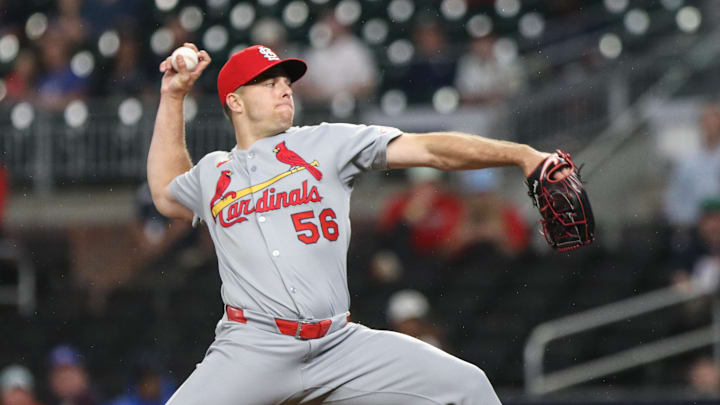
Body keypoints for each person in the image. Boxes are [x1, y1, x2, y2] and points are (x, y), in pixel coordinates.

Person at [148, 42, 554, 404]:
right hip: (253, 346)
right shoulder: (214, 171)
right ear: (235, 102)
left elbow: (430, 149)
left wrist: (522, 155)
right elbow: (166, 192)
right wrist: (173, 94)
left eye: (285, 81)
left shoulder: (327, 142)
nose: (285, 88)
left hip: (337, 344)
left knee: (469, 387)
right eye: (268, 82)